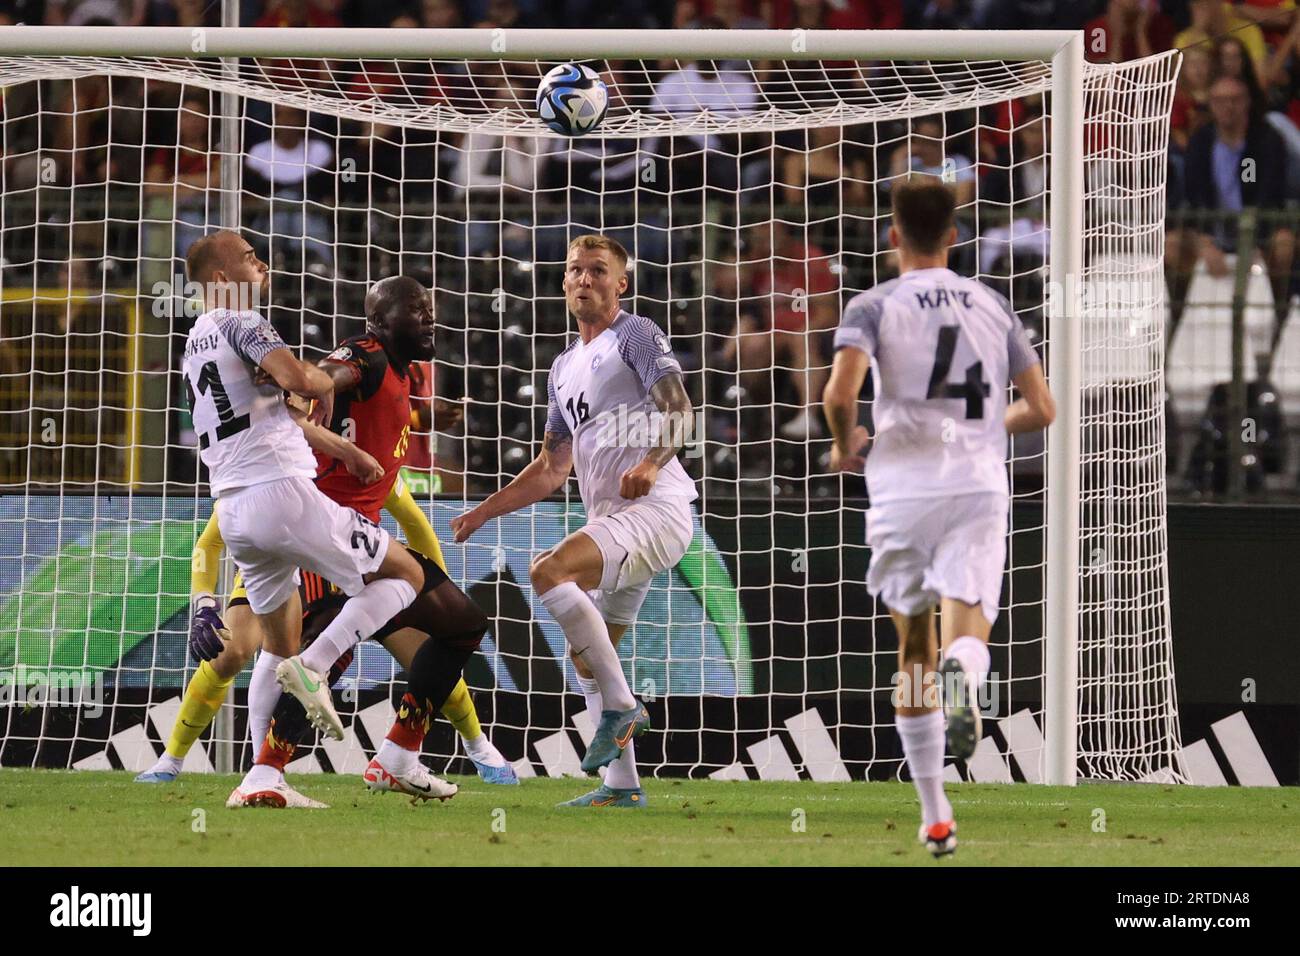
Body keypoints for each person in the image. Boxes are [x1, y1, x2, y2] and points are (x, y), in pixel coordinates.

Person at [822, 180, 1055, 857]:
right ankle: (966, 676)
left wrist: (844, 443)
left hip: (900, 488)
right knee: (966, 634)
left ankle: (936, 815)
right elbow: (1041, 409)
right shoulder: (993, 303)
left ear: (893, 236)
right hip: (976, 485)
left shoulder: (872, 303)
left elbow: (839, 393)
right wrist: (984, 430)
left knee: (912, 651)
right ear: (954, 236)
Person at [178, 230, 427, 804]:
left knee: (277, 645)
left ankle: (262, 779)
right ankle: (318, 667)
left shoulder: (195, 339)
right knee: (407, 575)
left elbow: (273, 406)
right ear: (220, 279)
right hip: (283, 495)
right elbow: (299, 379)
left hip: (235, 506)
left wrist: (336, 440)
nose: (261, 263)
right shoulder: (243, 318)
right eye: (247, 257)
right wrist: (314, 381)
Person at [451, 235, 698, 809]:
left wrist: (651, 461)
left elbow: (680, 409)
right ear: (563, 284)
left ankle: (621, 707)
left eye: (598, 271)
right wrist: (485, 512)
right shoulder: (562, 368)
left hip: (658, 511)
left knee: (548, 571)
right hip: (614, 520)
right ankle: (622, 787)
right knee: (586, 656)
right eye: (575, 271)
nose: (584, 279)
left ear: (621, 285)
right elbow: (551, 468)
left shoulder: (634, 334)